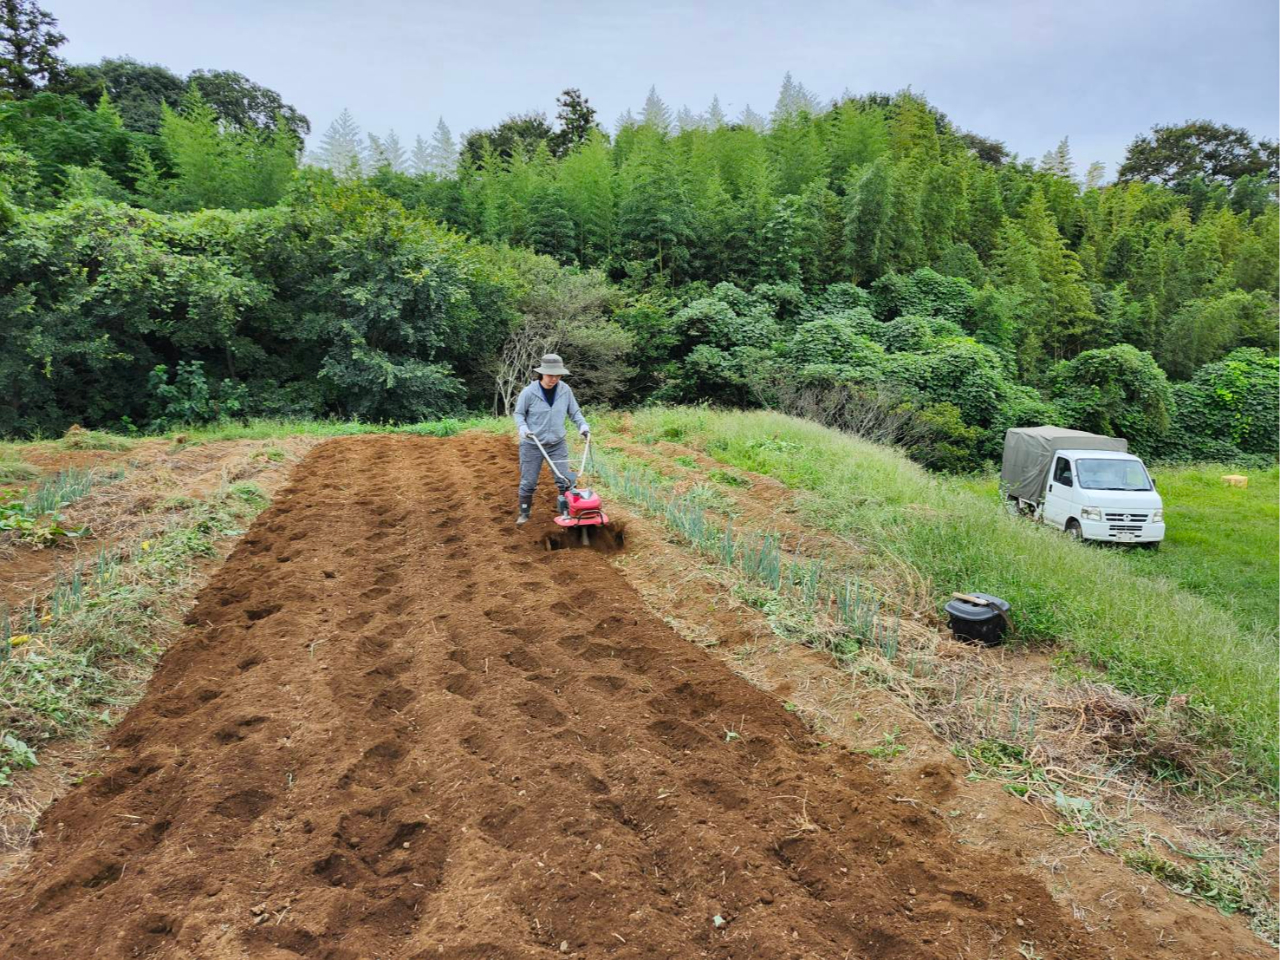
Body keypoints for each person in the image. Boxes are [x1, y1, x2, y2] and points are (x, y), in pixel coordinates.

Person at [512, 354, 589, 526]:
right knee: (529, 481)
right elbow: (518, 414)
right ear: (541, 374)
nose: (553, 379)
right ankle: (524, 513)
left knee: (565, 480)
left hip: (557, 444)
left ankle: (568, 512)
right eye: (550, 375)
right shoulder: (529, 392)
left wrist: (583, 425)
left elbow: (574, 412)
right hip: (533, 444)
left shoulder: (565, 390)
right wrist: (523, 428)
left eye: (557, 375)